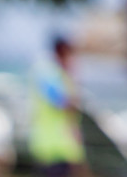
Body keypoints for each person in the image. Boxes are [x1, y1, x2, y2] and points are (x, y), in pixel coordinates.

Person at [28, 36, 87, 177]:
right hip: (52, 148)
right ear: (62, 52)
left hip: (63, 148)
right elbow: (64, 103)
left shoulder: (59, 75)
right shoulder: (49, 74)